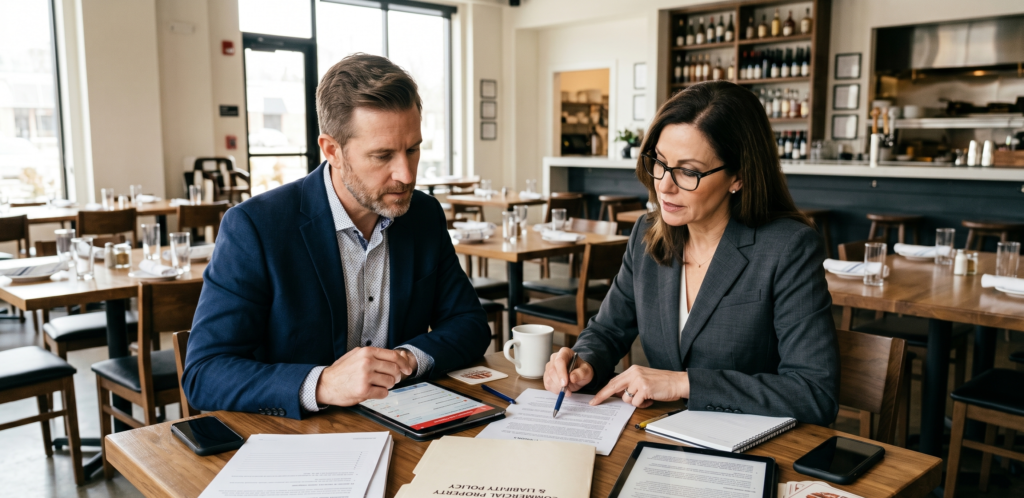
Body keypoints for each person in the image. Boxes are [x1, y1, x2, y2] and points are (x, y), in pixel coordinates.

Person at [182, 54, 491, 420]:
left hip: (403, 424)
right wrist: (323, 383)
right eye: (382, 155)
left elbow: (470, 324)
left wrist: (407, 359)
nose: (406, 175)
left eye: (412, 149)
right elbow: (205, 374)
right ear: (332, 151)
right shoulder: (255, 227)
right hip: (296, 441)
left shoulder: (423, 215)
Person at [543, 81, 839, 426]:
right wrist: (584, 363)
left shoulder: (788, 248)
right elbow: (607, 332)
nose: (664, 185)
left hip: (748, 452)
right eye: (660, 162)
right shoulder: (647, 234)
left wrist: (683, 383)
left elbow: (815, 393)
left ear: (738, 177)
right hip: (661, 438)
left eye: (688, 171)